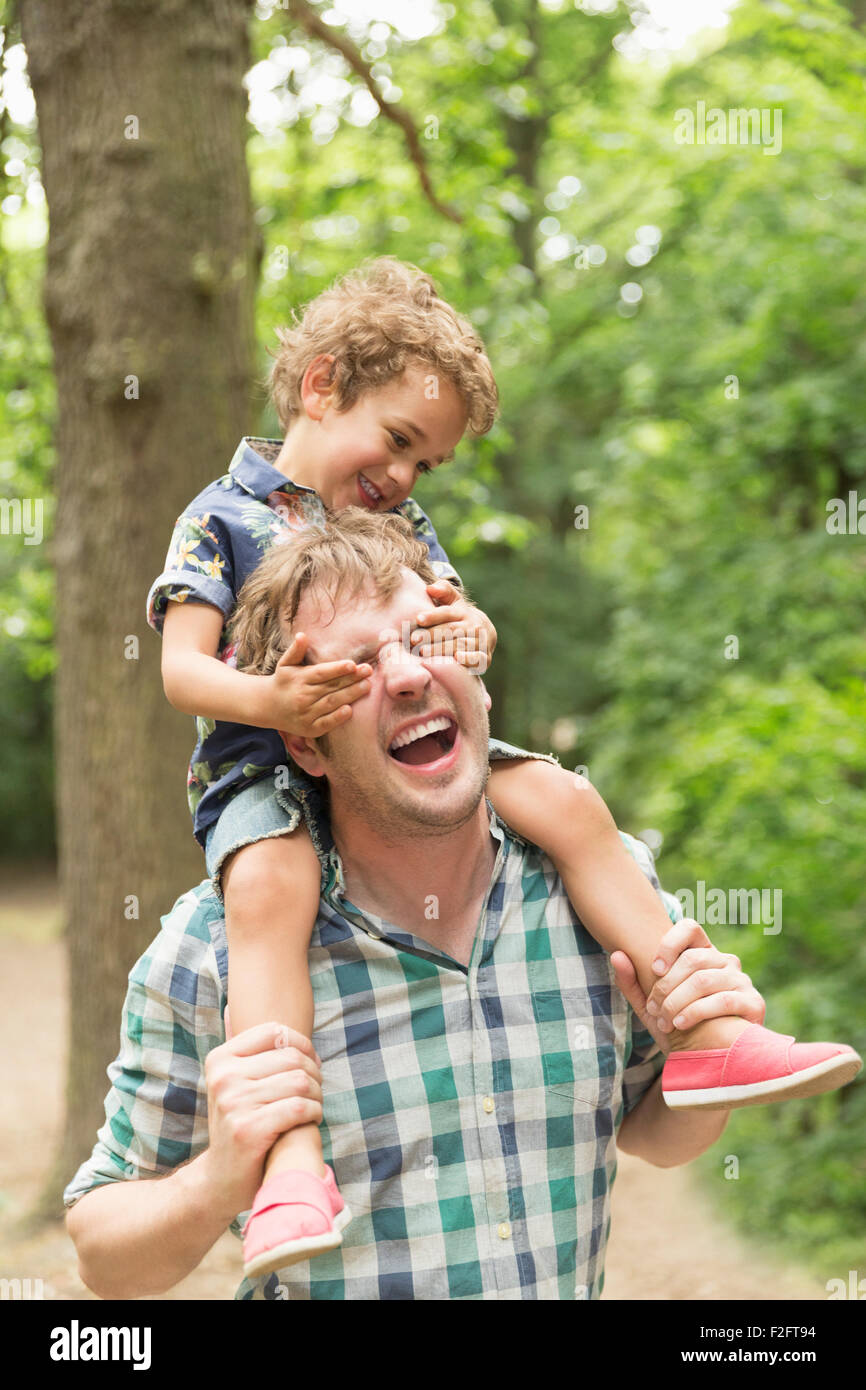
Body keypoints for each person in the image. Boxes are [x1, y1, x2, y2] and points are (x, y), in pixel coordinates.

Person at [146, 260, 860, 1279]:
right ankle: (289, 1166)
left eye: (424, 464)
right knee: (269, 889)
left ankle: (704, 1024)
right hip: (266, 769)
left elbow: (452, 614)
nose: (402, 478)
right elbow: (180, 671)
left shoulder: (397, 529)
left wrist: (466, 631)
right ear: (320, 382)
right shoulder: (219, 517)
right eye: (396, 440)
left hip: (393, 757)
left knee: (563, 798)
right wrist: (274, 702)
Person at [68, 511, 859, 1301]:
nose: (408, 676)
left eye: (426, 641)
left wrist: (703, 1058)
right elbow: (103, 1259)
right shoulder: (213, 949)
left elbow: (655, 1134)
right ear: (304, 742)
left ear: (474, 676)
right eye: (356, 667)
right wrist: (218, 1180)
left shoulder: (604, 890)